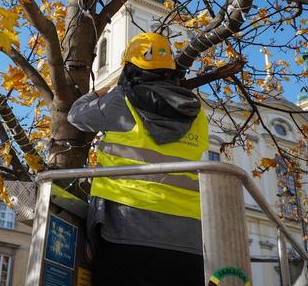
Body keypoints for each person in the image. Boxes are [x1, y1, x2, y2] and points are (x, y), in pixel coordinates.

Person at [67, 32, 208, 286]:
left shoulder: (120, 101)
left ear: (130, 69)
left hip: (126, 228)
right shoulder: (197, 114)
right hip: (189, 238)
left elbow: (75, 116)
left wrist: (100, 93)